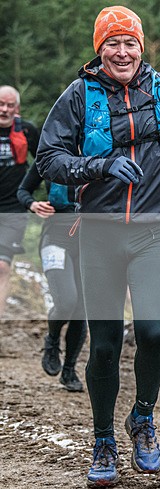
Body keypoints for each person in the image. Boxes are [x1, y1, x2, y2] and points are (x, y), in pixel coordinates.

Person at [36, 5, 160, 488]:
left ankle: (142, 418)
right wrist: (100, 166)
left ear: (142, 47)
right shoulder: (78, 96)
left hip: (155, 231)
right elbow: (49, 159)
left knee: (155, 333)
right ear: (99, 50)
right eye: (111, 43)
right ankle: (102, 441)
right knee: (106, 346)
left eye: (129, 43)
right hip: (98, 235)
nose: (121, 51)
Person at [17, 164, 85, 392]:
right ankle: (53, 338)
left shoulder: (101, 154)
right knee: (66, 301)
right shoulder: (51, 156)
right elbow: (23, 190)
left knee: (81, 310)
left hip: (90, 241)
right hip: (55, 238)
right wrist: (33, 204)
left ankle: (69, 370)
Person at [0, 85, 38, 319]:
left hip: (14, 208)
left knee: (2, 267)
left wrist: (32, 194)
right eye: (0, 104)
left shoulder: (26, 130)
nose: (3, 109)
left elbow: (45, 162)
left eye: (9, 105)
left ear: (17, 108)